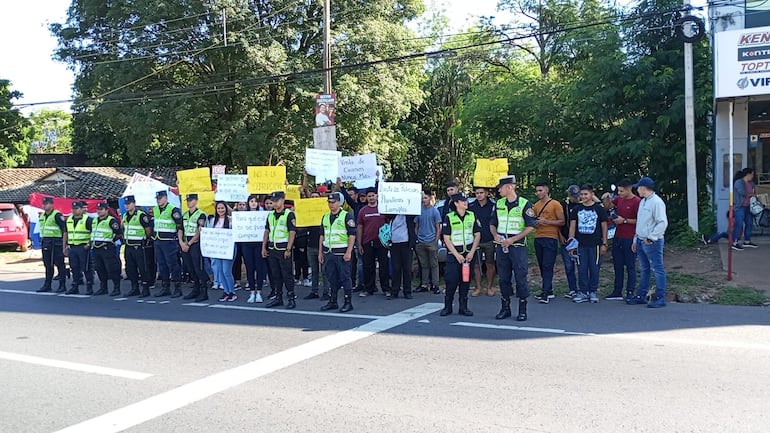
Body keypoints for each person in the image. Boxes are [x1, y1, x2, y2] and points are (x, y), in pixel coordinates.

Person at [490, 175, 536, 321]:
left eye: (501, 187)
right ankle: (505, 308)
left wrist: (513, 239)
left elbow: (531, 226)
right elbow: (492, 223)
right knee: (503, 278)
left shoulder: (524, 204)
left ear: (509, 187)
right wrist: (495, 234)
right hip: (502, 246)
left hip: (517, 247)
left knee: (521, 277)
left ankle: (522, 310)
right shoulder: (498, 203)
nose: (498, 190)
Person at [628, 177, 669, 308]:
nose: (637, 190)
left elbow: (662, 222)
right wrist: (636, 238)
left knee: (657, 269)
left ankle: (660, 297)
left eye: (639, 187)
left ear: (644, 188)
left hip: (652, 241)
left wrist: (652, 237)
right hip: (641, 239)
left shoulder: (656, 202)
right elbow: (641, 222)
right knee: (645, 269)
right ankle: (642, 295)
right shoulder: (643, 201)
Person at [440, 193, 482, 316]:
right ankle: (448, 307)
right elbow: (446, 238)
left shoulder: (472, 216)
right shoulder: (449, 217)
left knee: (466, 281)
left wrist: (472, 252)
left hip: (468, 255)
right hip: (454, 255)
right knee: (451, 280)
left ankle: (463, 307)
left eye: (466, 201)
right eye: (462, 201)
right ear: (456, 203)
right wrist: (456, 255)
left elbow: (477, 234)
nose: (466, 203)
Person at [567, 184, 608, 304]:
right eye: (582, 194)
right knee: (582, 268)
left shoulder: (599, 209)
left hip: (595, 244)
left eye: (586, 194)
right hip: (580, 244)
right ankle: (583, 291)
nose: (583, 196)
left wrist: (604, 243)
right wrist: (571, 243)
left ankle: (593, 291)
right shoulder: (576, 209)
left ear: (592, 194)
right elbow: (572, 226)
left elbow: (604, 226)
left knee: (594, 268)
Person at [602, 178, 640, 300]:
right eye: (618, 191)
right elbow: (608, 207)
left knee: (630, 266)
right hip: (618, 236)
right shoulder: (619, 199)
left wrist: (624, 220)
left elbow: (641, 221)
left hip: (630, 237)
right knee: (617, 265)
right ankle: (617, 291)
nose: (619, 193)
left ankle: (630, 291)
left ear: (629, 189)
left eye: (622, 191)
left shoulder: (637, 202)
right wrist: (607, 198)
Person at [318, 192, 356, 312]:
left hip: (342, 253)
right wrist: (320, 252)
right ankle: (333, 301)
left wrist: (349, 251)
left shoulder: (346, 216)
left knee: (345, 277)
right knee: (331, 277)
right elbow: (322, 235)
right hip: (329, 252)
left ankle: (348, 302)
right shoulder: (325, 217)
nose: (331, 204)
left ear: (339, 202)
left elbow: (352, 235)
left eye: (333, 202)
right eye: (329, 202)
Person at [262, 191, 298, 309]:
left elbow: (292, 232)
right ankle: (278, 297)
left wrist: (288, 248)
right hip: (273, 248)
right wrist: (264, 246)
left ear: (283, 200)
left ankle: (291, 298)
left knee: (287, 274)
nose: (275, 203)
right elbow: (267, 231)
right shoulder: (270, 215)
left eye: (277, 201)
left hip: (283, 248)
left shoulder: (289, 214)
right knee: (275, 274)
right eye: (273, 201)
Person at [532, 182, 565, 304]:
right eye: (537, 191)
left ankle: (545, 291)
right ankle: (548, 289)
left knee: (547, 265)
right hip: (538, 237)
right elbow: (533, 221)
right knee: (541, 264)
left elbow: (562, 221)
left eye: (540, 190)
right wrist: (536, 223)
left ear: (546, 190)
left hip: (551, 237)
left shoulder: (555, 204)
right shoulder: (536, 205)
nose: (538, 193)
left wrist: (547, 222)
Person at [357, 188, 390, 297]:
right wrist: (359, 243)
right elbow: (360, 227)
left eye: (373, 195)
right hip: (367, 241)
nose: (371, 198)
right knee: (368, 266)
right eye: (369, 196)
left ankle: (385, 288)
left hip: (381, 242)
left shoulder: (383, 209)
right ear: (366, 198)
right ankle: (368, 289)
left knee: (383, 266)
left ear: (377, 196)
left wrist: (389, 240)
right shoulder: (363, 211)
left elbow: (389, 225)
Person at [152, 190, 185, 297]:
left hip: (169, 241)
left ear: (166, 198)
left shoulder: (173, 209)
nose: (158, 201)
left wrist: (179, 239)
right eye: (157, 199)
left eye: (160, 198)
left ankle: (177, 288)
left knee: (173, 264)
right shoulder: (155, 209)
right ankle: (165, 287)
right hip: (158, 241)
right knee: (162, 265)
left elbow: (179, 225)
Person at [122, 196, 153, 298]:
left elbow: (148, 230)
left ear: (134, 203)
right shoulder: (125, 216)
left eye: (129, 203)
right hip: (128, 245)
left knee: (142, 267)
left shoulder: (141, 215)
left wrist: (145, 239)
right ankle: (134, 288)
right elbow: (124, 228)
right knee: (130, 268)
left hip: (139, 245)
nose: (127, 206)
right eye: (126, 204)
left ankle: (145, 288)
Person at [180, 194, 209, 300]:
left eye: (191, 200)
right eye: (187, 200)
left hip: (195, 244)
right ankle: (195, 289)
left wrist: (189, 243)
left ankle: (204, 291)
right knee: (190, 268)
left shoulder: (201, 215)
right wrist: (181, 242)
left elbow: (199, 231)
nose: (188, 202)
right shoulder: (185, 214)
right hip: (185, 243)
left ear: (196, 201)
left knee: (198, 268)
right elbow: (180, 229)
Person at [91, 202, 123, 296]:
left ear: (106, 210)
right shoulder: (95, 220)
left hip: (107, 247)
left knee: (112, 268)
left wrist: (111, 240)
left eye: (101, 209)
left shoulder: (111, 221)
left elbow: (119, 233)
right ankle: (103, 287)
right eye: (98, 210)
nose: (99, 211)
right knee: (100, 268)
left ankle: (116, 288)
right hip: (96, 248)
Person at [469, 186, 496, 297]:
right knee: (476, 265)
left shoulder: (493, 206)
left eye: (481, 193)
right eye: (477, 193)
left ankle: (489, 287)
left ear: (486, 193)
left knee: (489, 264)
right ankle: (478, 287)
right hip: (476, 240)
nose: (479, 195)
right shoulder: (471, 206)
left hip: (489, 239)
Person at [37, 197, 68, 293]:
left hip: (56, 242)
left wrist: (64, 245)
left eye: (46, 203)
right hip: (46, 242)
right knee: (47, 265)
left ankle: (62, 285)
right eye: (44, 204)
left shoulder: (57, 215)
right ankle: (47, 285)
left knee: (60, 264)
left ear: (51, 204)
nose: (44, 205)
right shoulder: (42, 216)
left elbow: (64, 230)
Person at [208, 201, 237, 301]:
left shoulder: (231, 220)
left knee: (226, 271)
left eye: (222, 208)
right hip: (217, 249)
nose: (220, 210)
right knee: (220, 271)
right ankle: (226, 291)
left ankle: (232, 292)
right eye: (218, 208)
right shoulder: (212, 221)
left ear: (226, 209)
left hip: (228, 249)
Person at [414, 190, 441, 294]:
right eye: (422, 198)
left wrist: (436, 240)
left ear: (430, 198)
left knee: (434, 264)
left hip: (431, 241)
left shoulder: (435, 211)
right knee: (424, 264)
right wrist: (418, 238)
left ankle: (435, 284)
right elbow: (416, 226)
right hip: (421, 241)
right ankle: (424, 284)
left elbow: (438, 227)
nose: (423, 200)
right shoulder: (418, 211)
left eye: (425, 198)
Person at [243, 195, 268, 304]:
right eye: (251, 201)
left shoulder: (262, 214)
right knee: (249, 268)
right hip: (247, 244)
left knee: (259, 268)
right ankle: (252, 292)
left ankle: (259, 292)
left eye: (255, 201)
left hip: (259, 244)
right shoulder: (243, 215)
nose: (253, 203)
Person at [305, 190, 330, 301]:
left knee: (324, 271)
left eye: (317, 196)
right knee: (314, 270)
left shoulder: (325, 213)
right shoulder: (307, 212)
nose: (314, 198)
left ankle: (326, 291)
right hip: (311, 245)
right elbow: (300, 228)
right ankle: (314, 291)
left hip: (323, 246)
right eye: (313, 196)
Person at [64, 201, 93, 295]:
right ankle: (75, 286)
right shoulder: (69, 219)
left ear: (82, 209)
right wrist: (64, 246)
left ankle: (89, 287)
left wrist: (89, 244)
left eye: (76, 209)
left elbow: (94, 233)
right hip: (72, 247)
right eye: (73, 209)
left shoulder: (88, 219)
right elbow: (66, 233)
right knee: (74, 267)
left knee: (86, 267)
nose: (74, 211)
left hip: (83, 247)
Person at [388, 212, 416, 299]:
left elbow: (416, 211)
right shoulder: (391, 214)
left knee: (407, 268)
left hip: (406, 244)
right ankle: (394, 291)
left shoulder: (409, 215)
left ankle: (407, 291)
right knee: (396, 268)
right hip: (394, 244)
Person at [560, 185, 581, 299]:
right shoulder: (564, 205)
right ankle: (572, 288)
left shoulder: (583, 204)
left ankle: (583, 289)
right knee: (569, 266)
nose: (576, 199)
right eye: (574, 196)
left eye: (578, 196)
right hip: (566, 239)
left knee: (582, 265)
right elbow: (559, 221)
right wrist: (560, 236)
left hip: (581, 240)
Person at [732, 168, 758, 251]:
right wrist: (752, 194)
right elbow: (743, 193)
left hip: (749, 206)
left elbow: (754, 193)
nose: (753, 176)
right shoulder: (739, 182)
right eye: (752, 174)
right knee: (739, 224)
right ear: (748, 174)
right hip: (740, 206)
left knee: (749, 223)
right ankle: (734, 242)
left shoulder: (751, 183)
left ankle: (747, 241)